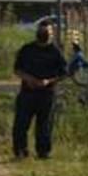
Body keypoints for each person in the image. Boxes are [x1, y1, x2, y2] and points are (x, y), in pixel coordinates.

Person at [12, 19, 68, 160]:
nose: (44, 34)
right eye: (41, 31)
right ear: (37, 32)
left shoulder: (55, 52)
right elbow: (17, 70)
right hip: (27, 93)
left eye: (47, 31)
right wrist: (29, 79)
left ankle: (43, 152)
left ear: (52, 33)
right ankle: (20, 151)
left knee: (45, 126)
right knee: (21, 124)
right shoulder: (27, 49)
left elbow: (63, 74)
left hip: (47, 94)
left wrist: (48, 81)